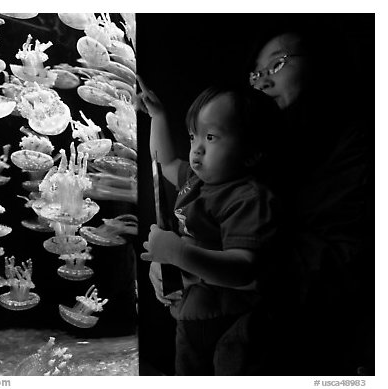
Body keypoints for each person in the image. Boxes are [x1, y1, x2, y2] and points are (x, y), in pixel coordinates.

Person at [244, 30, 374, 375]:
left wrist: (208, 266)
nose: (263, 83)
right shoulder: (262, 153)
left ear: (321, 67)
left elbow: (344, 259)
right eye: (257, 74)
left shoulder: (360, 143)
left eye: (277, 64)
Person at [139, 81, 283, 375]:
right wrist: (158, 118)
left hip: (226, 316)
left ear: (252, 152)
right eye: (193, 137)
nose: (196, 150)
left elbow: (243, 267)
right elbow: (164, 162)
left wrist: (176, 253)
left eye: (211, 136)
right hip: (190, 311)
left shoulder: (247, 197)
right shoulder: (196, 179)